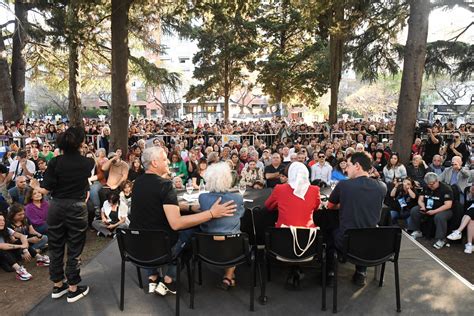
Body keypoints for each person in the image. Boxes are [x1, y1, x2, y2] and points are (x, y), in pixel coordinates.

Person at [129, 147, 236, 296]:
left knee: (149, 227)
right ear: (154, 163)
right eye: (164, 159)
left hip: (137, 248)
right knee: (193, 232)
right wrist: (211, 213)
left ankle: (152, 276)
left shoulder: (138, 183)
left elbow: (153, 204)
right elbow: (177, 224)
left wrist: (188, 207)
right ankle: (169, 279)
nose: (167, 162)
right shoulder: (165, 185)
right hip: (161, 249)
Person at [30, 126, 95, 303]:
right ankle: (73, 288)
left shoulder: (55, 162)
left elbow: (47, 188)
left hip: (56, 207)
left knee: (55, 246)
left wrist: (35, 186)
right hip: (76, 207)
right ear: (81, 143)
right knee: (74, 248)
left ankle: (58, 285)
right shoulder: (87, 163)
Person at [327, 152, 387, 286]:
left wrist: (345, 202)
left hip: (346, 242)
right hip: (371, 242)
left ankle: (330, 272)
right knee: (364, 231)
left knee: (330, 232)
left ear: (357, 166)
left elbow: (330, 206)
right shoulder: (382, 187)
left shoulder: (343, 185)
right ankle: (361, 272)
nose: (346, 169)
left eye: (348, 165)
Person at [199, 162, 245, 290]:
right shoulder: (237, 198)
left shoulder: (202, 198)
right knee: (233, 233)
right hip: (233, 247)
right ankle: (228, 276)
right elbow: (240, 214)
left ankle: (229, 276)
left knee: (230, 234)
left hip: (207, 247)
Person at [265, 162, 320, 228]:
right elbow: (316, 207)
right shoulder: (315, 190)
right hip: (308, 233)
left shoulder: (279, 188)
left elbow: (268, 206)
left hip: (283, 232)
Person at [409, 172, 453, 250]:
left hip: (443, 209)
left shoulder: (446, 189)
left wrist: (435, 211)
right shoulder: (426, 187)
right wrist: (422, 206)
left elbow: (448, 205)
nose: (430, 186)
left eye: (432, 184)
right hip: (428, 207)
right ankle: (417, 230)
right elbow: (420, 199)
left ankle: (441, 239)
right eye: (428, 184)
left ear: (437, 181)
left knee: (439, 217)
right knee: (415, 210)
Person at [0, 214, 35, 280]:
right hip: (2, 252)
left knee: (18, 241)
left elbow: (21, 236)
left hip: (6, 253)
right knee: (2, 251)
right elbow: (2, 246)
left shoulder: (6, 229)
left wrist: (25, 249)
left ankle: (40, 258)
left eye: (3, 220)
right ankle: (19, 270)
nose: (2, 222)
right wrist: (21, 246)